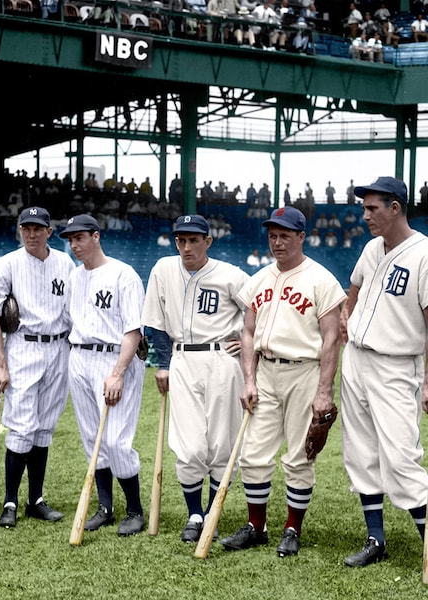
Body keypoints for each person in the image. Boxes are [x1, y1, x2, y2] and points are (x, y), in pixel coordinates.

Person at [220, 206, 346, 557]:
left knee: (298, 457)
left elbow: (331, 339)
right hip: (266, 372)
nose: (277, 242)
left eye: (285, 235)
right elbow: (247, 333)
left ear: (301, 237)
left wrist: (324, 391)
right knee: (254, 454)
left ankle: (292, 528)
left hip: (304, 371)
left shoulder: (321, 279)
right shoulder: (258, 279)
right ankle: (256, 526)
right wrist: (249, 379)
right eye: (273, 235)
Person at [142, 214, 249, 542]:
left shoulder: (231, 275)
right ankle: (194, 514)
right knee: (189, 448)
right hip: (182, 359)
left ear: (208, 241)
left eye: (193, 240)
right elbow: (155, 322)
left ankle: (213, 513)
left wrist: (247, 338)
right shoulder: (163, 269)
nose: (186, 246)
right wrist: (162, 364)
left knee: (221, 444)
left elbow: (259, 311)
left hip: (221, 360)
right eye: (181, 240)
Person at [339, 177, 428, 567]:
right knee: (360, 454)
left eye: (373, 208)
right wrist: (347, 315)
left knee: (401, 456)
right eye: (364, 207)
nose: (365, 215)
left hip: (395, 364)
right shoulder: (373, 248)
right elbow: (354, 287)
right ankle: (376, 539)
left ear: (396, 208)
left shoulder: (423, 254)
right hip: (357, 358)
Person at [0, 207, 75, 528]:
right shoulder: (6, 264)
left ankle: (36, 499)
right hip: (23, 346)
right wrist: (0, 365)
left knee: (44, 427)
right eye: (26, 228)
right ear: (19, 230)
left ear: (50, 231)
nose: (31, 234)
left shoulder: (64, 263)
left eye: (38, 228)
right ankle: (10, 500)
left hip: (58, 347)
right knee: (22, 428)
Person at [59, 214, 146, 537]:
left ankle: (135, 509)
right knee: (92, 439)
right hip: (79, 355)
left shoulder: (123, 274)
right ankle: (106, 508)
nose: (74, 245)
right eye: (70, 240)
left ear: (96, 236)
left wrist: (118, 373)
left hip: (113, 358)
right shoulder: (73, 277)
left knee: (116, 441)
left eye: (79, 238)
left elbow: (133, 330)